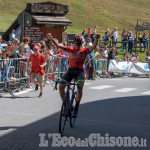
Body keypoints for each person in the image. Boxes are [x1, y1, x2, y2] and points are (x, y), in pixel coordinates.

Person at [46, 33, 100, 116]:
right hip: (70, 71)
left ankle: (76, 107)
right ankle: (66, 105)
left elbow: (92, 48)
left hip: (79, 71)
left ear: (81, 43)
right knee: (61, 86)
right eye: (77, 43)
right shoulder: (70, 49)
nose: (77, 45)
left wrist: (96, 39)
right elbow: (58, 45)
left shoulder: (84, 50)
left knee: (80, 88)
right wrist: (51, 39)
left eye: (78, 43)